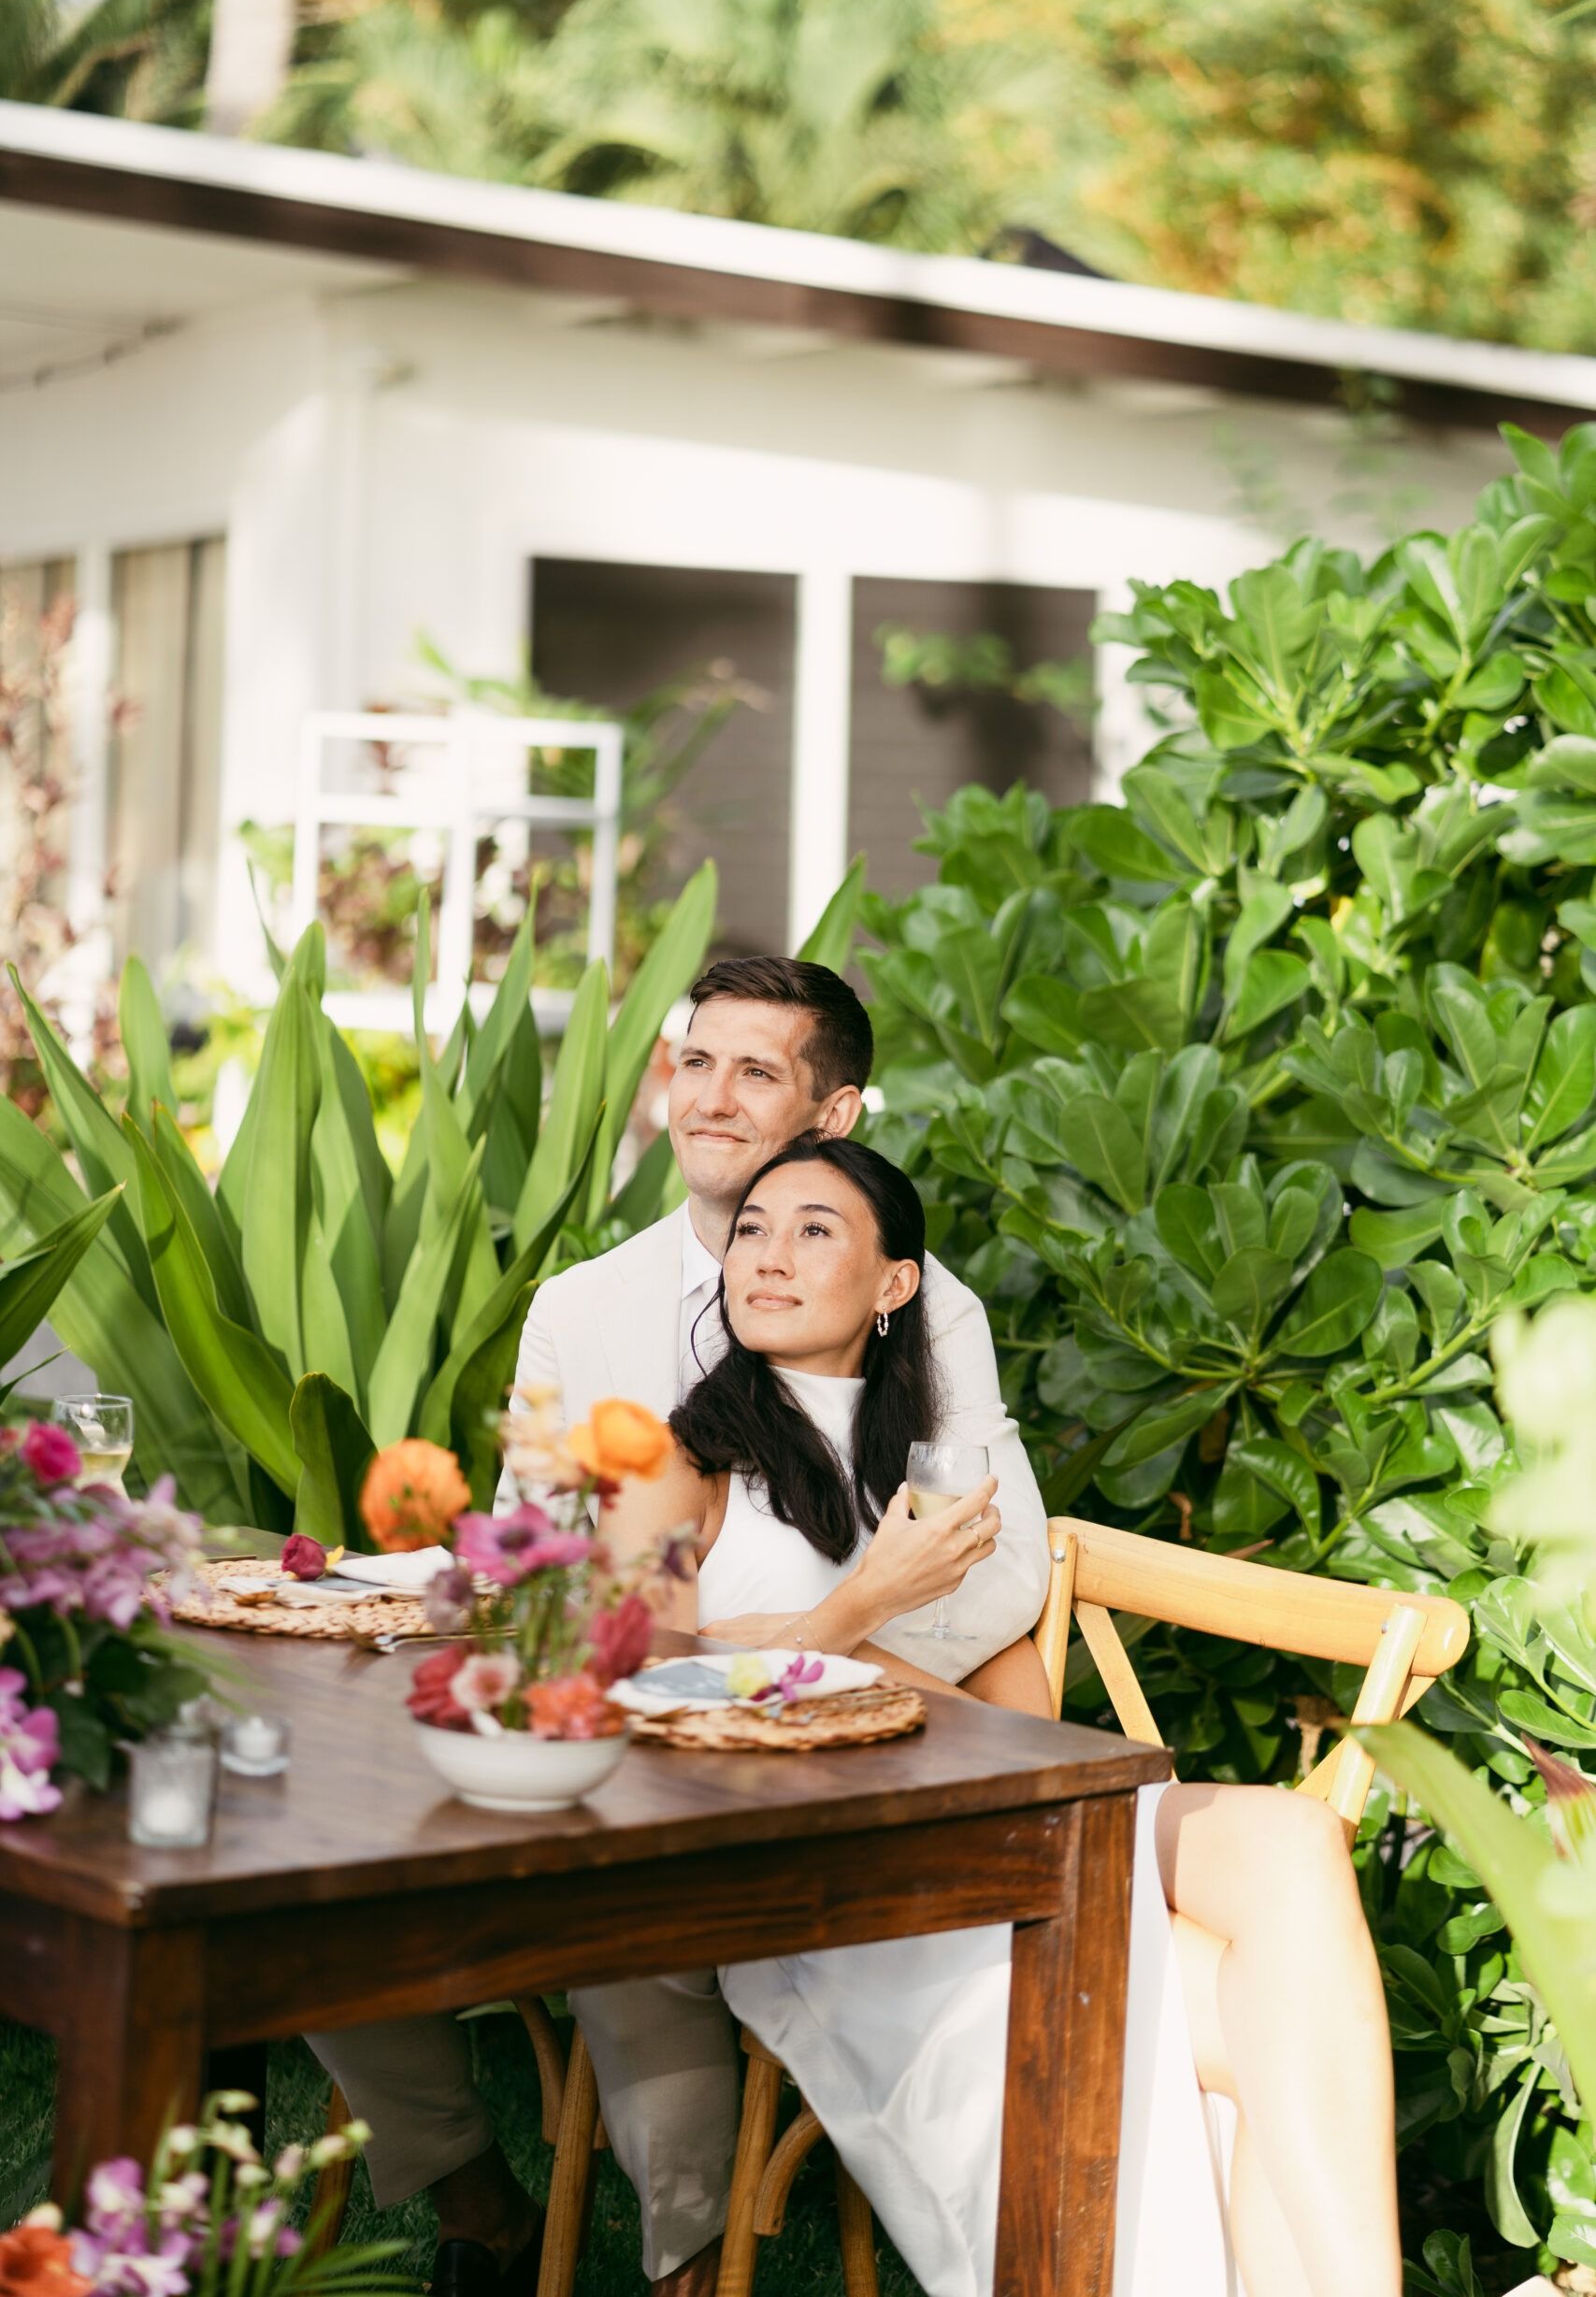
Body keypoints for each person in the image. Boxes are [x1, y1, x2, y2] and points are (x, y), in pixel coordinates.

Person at [308, 956, 1049, 2297]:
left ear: (834, 1114)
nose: (707, 1097)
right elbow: (556, 1589)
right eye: (694, 1060)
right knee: (319, 1863)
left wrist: (772, 1643)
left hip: (820, 1766)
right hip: (618, 1725)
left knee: (629, 1915)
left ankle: (684, 2264)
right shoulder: (582, 1307)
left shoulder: (926, 1307)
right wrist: (772, 1628)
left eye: (755, 1070)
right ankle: (472, 2199)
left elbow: (994, 1577)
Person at [608, 1131, 1404, 2297]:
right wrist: (870, 1601)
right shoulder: (682, 1466)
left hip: (1002, 1814)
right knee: (1249, 2035)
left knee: (1297, 1837)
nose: (767, 1254)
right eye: (752, 1229)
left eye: (814, 1228)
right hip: (839, 1876)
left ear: (896, 1286)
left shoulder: (936, 1468)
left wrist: (1075, 1790)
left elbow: (1005, 1695)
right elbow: (648, 1678)